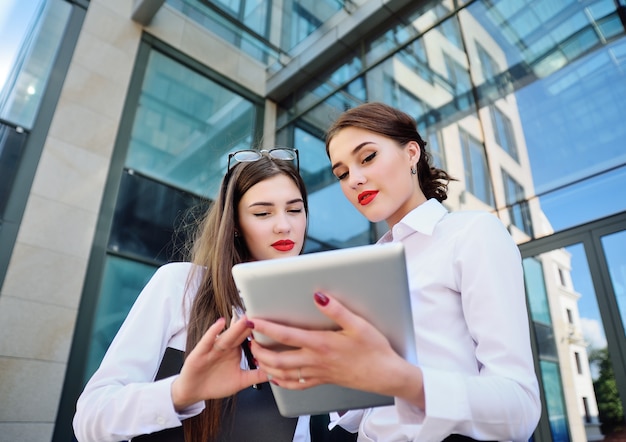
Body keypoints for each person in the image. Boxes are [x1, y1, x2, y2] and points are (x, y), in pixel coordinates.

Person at [249, 102, 542, 441]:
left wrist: (403, 380)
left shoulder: (471, 233)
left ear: (411, 152)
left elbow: (519, 407)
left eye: (368, 157)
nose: (355, 180)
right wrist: (334, 376)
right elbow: (365, 415)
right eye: (342, 174)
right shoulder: (364, 267)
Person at [73, 149, 314, 441]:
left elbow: (299, 435)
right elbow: (90, 418)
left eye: (295, 209)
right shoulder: (181, 284)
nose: (284, 225)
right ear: (235, 223)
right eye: (263, 213)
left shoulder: (306, 314)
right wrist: (179, 394)